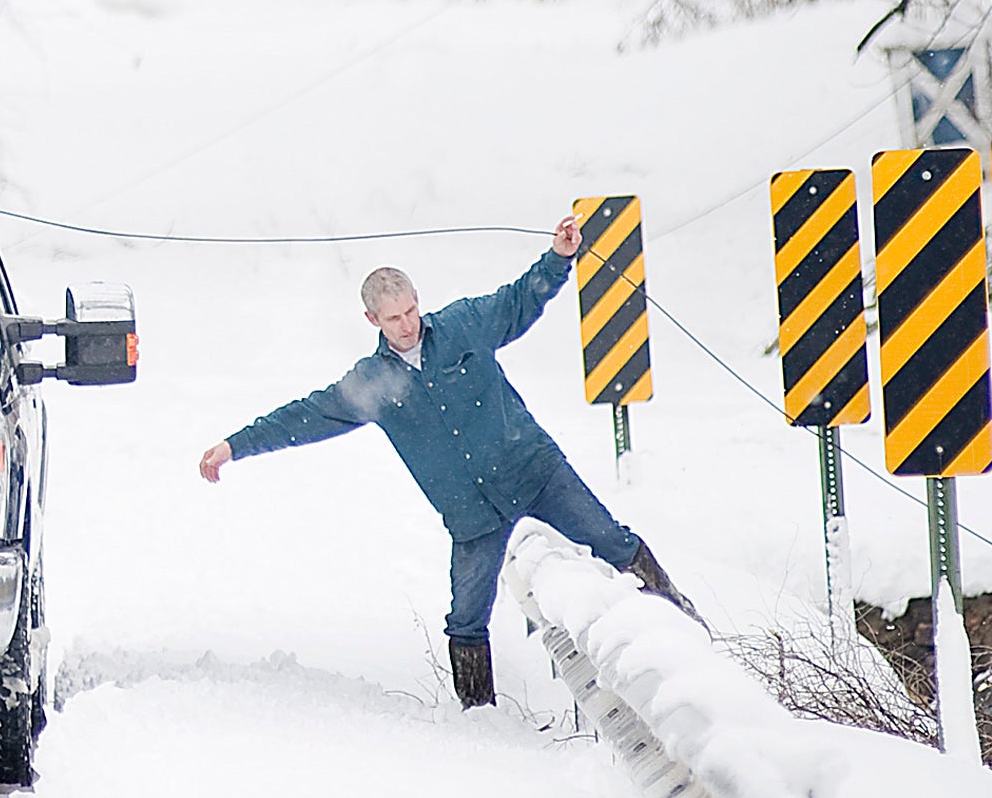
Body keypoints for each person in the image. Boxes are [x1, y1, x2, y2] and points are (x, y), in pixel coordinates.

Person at [198, 217, 695, 709]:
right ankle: (479, 716)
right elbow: (306, 416)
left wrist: (559, 258)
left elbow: (520, 300)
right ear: (373, 320)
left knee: (613, 542)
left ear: (418, 300)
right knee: (466, 620)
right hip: (472, 515)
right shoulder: (372, 383)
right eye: (394, 318)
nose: (407, 324)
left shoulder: (464, 324)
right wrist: (235, 446)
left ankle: (687, 628)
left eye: (411, 310)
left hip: (535, 471)